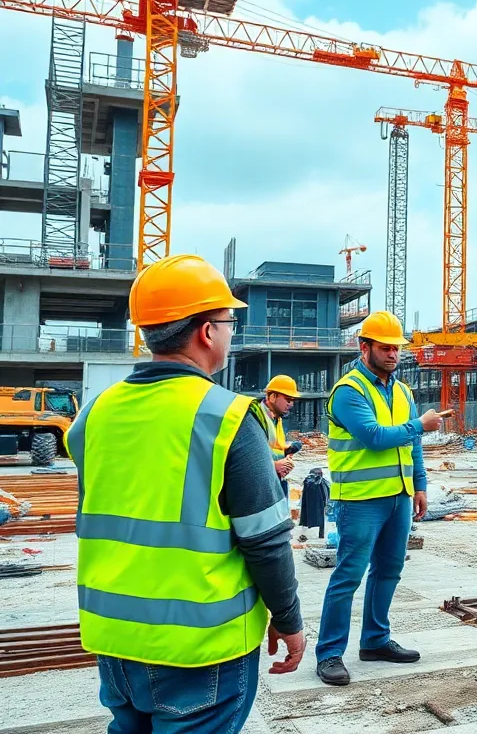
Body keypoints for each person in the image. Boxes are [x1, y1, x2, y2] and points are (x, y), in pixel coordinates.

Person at [66, 254, 305, 733]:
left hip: (114, 639)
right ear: (207, 331)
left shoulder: (95, 413)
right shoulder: (227, 417)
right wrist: (288, 618)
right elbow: (265, 540)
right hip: (199, 649)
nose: (231, 333)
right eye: (229, 322)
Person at [315, 310, 448, 686]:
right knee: (349, 575)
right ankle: (329, 653)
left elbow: (413, 444)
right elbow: (374, 437)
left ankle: (375, 640)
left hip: (398, 497)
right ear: (364, 347)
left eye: (396, 348)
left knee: (389, 570)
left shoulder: (403, 392)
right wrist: (419, 424)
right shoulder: (349, 391)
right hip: (360, 500)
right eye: (385, 347)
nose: (393, 354)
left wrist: (419, 485)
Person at [253, 374, 304, 499]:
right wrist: (274, 465)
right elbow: (247, 456)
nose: (291, 404)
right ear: (272, 396)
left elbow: (272, 447)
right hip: (259, 487)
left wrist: (286, 452)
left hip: (273, 481)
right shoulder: (254, 417)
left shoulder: (276, 417)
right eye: (288, 399)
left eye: (293, 400)